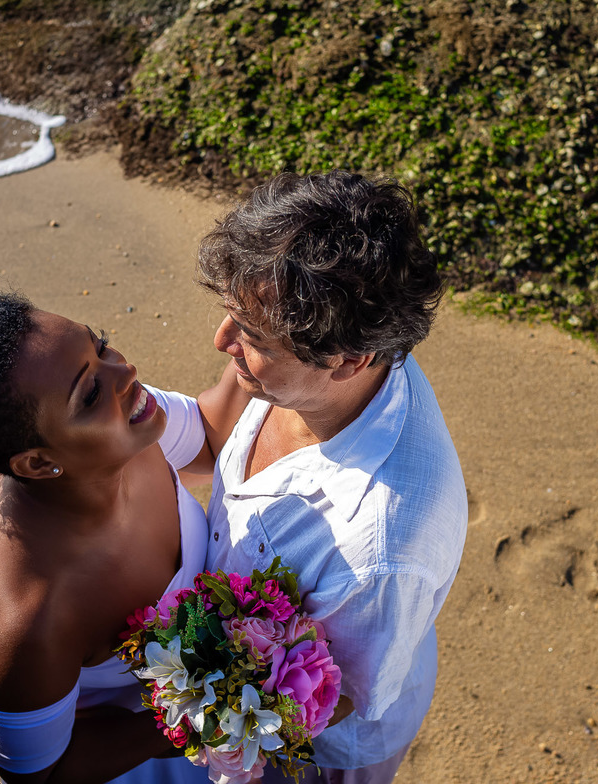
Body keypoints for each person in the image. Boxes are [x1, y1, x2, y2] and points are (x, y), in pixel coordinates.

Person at [0, 268, 244, 784]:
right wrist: (210, 712)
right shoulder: (17, 620)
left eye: (101, 345)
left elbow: (208, 434)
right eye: (88, 393)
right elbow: (40, 775)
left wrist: (260, 331)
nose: (125, 371)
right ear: (38, 463)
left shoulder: (123, 421)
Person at [197, 172, 468, 784]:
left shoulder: (378, 547)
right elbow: (213, 437)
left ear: (350, 359)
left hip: (320, 757)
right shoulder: (303, 364)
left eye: (252, 335)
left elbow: (335, 695)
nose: (222, 342)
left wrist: (204, 720)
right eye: (230, 315)